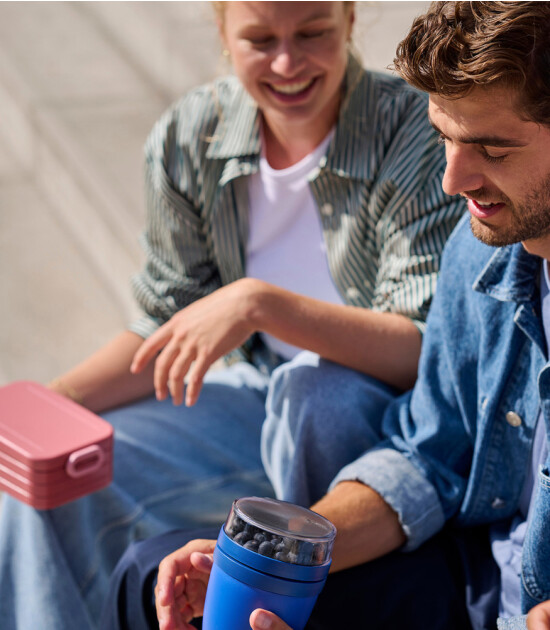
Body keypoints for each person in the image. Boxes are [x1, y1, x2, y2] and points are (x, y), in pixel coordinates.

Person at [0, 3, 463, 629]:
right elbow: (166, 324)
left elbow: (424, 350)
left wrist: (257, 302)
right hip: (252, 398)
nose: (286, 63)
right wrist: (46, 409)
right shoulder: (192, 134)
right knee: (33, 484)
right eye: (259, 39)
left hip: (370, 419)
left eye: (312, 34)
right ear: (221, 33)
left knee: (311, 391)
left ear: (350, 18)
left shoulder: (414, 132)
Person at [101, 2, 550, 630]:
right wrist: (271, 558)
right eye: (445, 139)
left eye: (492, 150)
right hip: (477, 572)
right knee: (162, 576)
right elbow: (428, 456)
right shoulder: (477, 249)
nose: (452, 181)